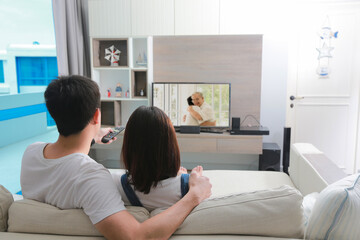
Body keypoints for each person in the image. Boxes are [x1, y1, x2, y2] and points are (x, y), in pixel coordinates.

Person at [20, 75, 212, 240]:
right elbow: (135, 236)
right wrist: (194, 195)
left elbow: (66, 162)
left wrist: (92, 138)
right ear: (97, 115)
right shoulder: (91, 177)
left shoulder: (31, 153)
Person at [114, 106, 205, 211]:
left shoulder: (117, 185)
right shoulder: (187, 188)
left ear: (129, 146)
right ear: (170, 145)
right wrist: (192, 177)